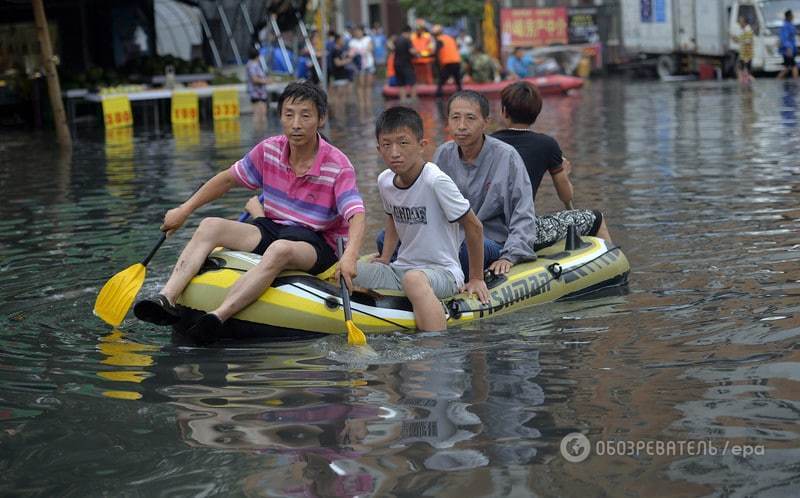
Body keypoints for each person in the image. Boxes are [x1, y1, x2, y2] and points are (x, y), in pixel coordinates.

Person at [133, 81, 366, 344]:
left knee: (280, 248)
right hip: (273, 226)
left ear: (321, 119)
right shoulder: (269, 149)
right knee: (210, 225)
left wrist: (351, 257)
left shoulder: (338, 164)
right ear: (280, 117)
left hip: (316, 243)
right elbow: (226, 180)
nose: (296, 124)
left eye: (305, 115)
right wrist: (184, 210)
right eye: (289, 115)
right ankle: (167, 298)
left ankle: (218, 317)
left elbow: (356, 213)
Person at [355, 107, 488, 331]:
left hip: (444, 273)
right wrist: (385, 257)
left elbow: (474, 227)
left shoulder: (435, 180)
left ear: (422, 145)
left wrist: (476, 278)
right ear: (379, 149)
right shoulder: (384, 180)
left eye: (403, 143)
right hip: (402, 269)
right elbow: (392, 218)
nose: (395, 152)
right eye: (387, 145)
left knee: (414, 280)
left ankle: (434, 350)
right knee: (349, 269)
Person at [491, 81, 613, 248]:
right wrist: (566, 174)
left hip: (488, 229)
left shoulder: (488, 143)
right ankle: (612, 264)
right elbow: (566, 197)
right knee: (596, 218)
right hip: (524, 231)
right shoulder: (547, 145)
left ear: (504, 112)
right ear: (536, 113)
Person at [432, 90, 537, 277]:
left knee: (467, 247)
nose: (461, 126)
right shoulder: (442, 154)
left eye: (470, 118)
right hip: (449, 241)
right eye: (455, 118)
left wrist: (509, 256)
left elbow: (523, 212)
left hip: (490, 241)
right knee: (384, 238)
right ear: (447, 121)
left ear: (485, 123)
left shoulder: (507, 156)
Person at [431, 24, 462, 98]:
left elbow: (436, 53)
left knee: (441, 80)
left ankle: (438, 95)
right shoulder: (449, 38)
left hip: (447, 62)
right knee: (457, 80)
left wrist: (437, 64)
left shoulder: (439, 40)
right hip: (456, 61)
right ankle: (461, 94)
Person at [389, 26, 417, 102]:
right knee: (412, 83)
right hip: (406, 64)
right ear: (408, 32)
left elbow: (390, 45)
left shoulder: (397, 39)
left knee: (401, 83)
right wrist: (417, 52)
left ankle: (403, 100)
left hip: (397, 64)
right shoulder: (407, 40)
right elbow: (412, 51)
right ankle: (414, 100)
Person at [348, 25, 375, 103]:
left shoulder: (367, 39)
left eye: (359, 31)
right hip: (358, 66)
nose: (357, 33)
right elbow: (351, 53)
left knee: (368, 85)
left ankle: (368, 102)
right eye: (356, 31)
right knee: (360, 86)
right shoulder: (352, 42)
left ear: (362, 31)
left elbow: (370, 48)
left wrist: (360, 51)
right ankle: (361, 103)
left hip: (369, 65)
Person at [245, 47, 270, 125]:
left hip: (257, 93)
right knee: (260, 115)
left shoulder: (250, 64)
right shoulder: (253, 65)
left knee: (259, 115)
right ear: (257, 56)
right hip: (258, 93)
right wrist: (266, 81)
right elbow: (254, 79)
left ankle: (259, 134)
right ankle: (260, 134)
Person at [411, 19, 436, 84]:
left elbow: (432, 47)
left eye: (420, 28)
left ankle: (429, 87)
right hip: (415, 59)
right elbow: (411, 47)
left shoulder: (428, 36)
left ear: (422, 29)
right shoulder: (412, 36)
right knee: (417, 76)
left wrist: (424, 53)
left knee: (428, 76)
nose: (418, 30)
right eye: (417, 28)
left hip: (426, 59)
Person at [732, 15, 754, 85]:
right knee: (742, 71)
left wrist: (746, 57)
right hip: (743, 55)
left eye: (740, 21)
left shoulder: (747, 30)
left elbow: (747, 43)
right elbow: (741, 41)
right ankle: (744, 84)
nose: (739, 23)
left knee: (744, 72)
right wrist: (735, 38)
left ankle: (748, 84)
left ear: (744, 22)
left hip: (746, 55)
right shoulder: (744, 30)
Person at [777, 10, 798, 80]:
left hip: (791, 49)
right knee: (792, 66)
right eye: (792, 15)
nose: (793, 16)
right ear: (788, 16)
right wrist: (788, 48)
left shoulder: (790, 24)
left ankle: (779, 80)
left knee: (789, 67)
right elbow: (784, 38)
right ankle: (796, 82)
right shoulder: (785, 26)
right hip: (787, 50)